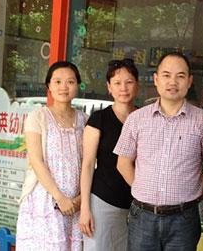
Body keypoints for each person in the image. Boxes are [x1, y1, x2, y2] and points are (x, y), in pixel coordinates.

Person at [115, 52, 203, 251]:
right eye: (166, 75)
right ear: (156, 80)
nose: (172, 82)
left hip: (184, 219)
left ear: (189, 81)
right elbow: (123, 163)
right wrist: (142, 189)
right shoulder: (137, 119)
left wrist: (195, 194)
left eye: (180, 76)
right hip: (143, 218)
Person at [16, 61, 87, 250]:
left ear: (77, 86)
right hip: (45, 200)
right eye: (57, 82)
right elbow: (36, 161)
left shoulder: (84, 120)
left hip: (76, 203)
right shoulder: (38, 117)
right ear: (48, 86)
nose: (64, 87)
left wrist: (81, 197)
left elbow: (89, 162)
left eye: (70, 82)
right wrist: (59, 197)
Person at [79, 59, 139, 250]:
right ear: (109, 87)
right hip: (103, 202)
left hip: (137, 206)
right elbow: (88, 165)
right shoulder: (99, 119)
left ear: (137, 84)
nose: (123, 88)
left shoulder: (144, 118)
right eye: (117, 83)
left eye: (129, 82)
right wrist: (85, 208)